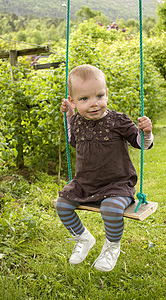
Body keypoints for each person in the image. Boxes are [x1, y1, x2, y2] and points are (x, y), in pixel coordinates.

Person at [56, 64, 153, 272]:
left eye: (99, 96)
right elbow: (73, 140)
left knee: (110, 209)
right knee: (62, 206)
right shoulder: (78, 122)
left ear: (106, 93)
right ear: (73, 101)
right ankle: (83, 238)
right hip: (85, 184)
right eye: (84, 99)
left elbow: (141, 144)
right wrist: (70, 115)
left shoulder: (118, 120)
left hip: (117, 185)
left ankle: (112, 246)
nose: (94, 104)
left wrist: (145, 132)